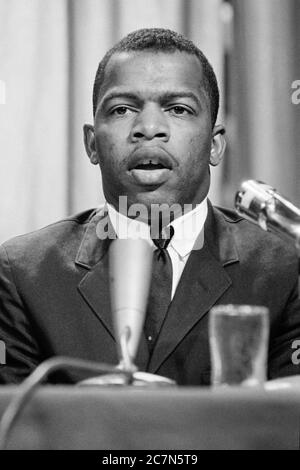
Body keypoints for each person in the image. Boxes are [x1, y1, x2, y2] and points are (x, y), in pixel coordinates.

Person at [0, 28, 299, 385]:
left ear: (215, 145)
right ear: (92, 144)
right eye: (123, 109)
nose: (149, 128)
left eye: (178, 109)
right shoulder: (22, 272)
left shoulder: (283, 268)